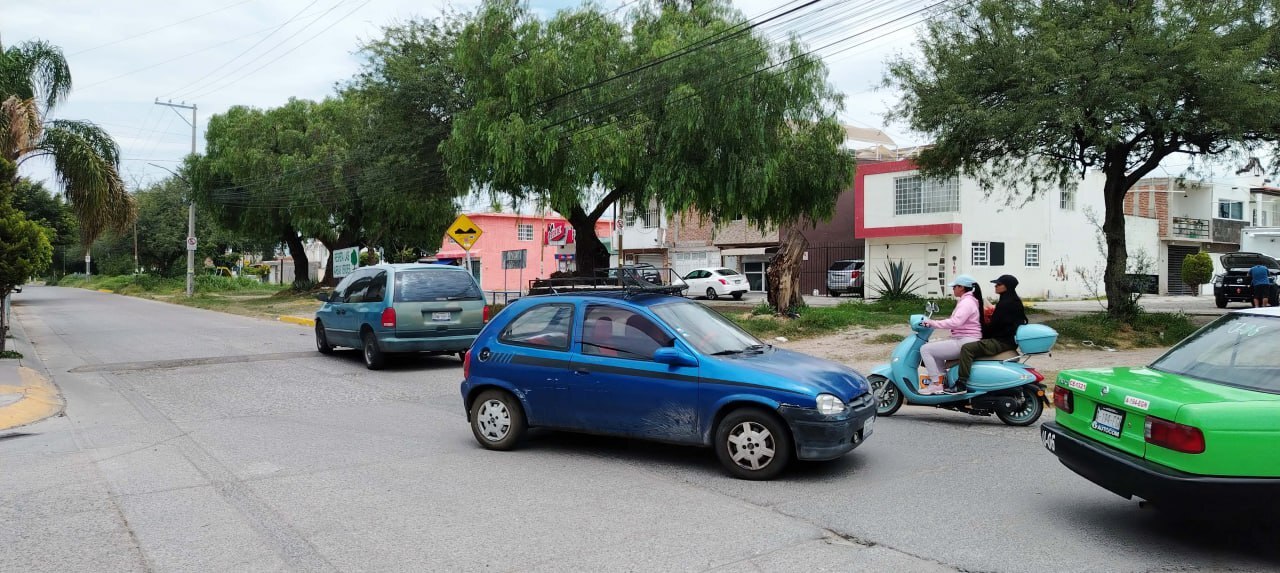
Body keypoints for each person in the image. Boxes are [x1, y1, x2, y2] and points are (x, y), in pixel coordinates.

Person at [956, 275, 1029, 394]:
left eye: (999, 284)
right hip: (1006, 340)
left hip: (1001, 342)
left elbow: (996, 326)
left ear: (1007, 286)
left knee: (967, 348)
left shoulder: (1006, 304)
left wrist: (982, 331)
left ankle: (961, 383)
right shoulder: (1012, 300)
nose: (996, 286)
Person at [918, 275, 984, 395]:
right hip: (964, 339)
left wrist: (932, 323)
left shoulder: (967, 302)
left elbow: (955, 322)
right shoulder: (966, 300)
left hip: (965, 341)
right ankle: (943, 382)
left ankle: (935, 384)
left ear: (962, 287)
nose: (953, 289)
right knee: (936, 353)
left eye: (955, 287)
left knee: (925, 349)